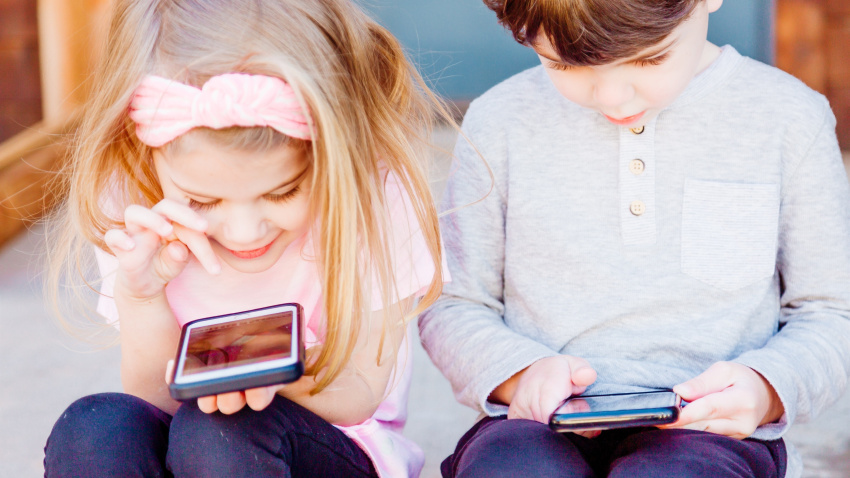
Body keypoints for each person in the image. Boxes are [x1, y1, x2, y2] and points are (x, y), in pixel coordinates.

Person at [418, 0, 850, 477]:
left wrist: (766, 389)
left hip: (711, 435)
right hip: (534, 427)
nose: (613, 98)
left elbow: (831, 313)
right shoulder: (498, 121)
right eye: (566, 63)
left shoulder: (789, 118)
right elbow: (454, 303)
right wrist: (521, 375)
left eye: (649, 59)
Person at [42, 0, 451, 476]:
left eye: (283, 192)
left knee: (221, 431)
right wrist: (141, 295)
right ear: (145, 153)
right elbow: (155, 402)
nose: (243, 231)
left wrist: (267, 380)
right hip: (192, 447)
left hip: (331, 446)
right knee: (95, 428)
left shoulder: (373, 197)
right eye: (202, 201)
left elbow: (359, 392)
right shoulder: (136, 202)